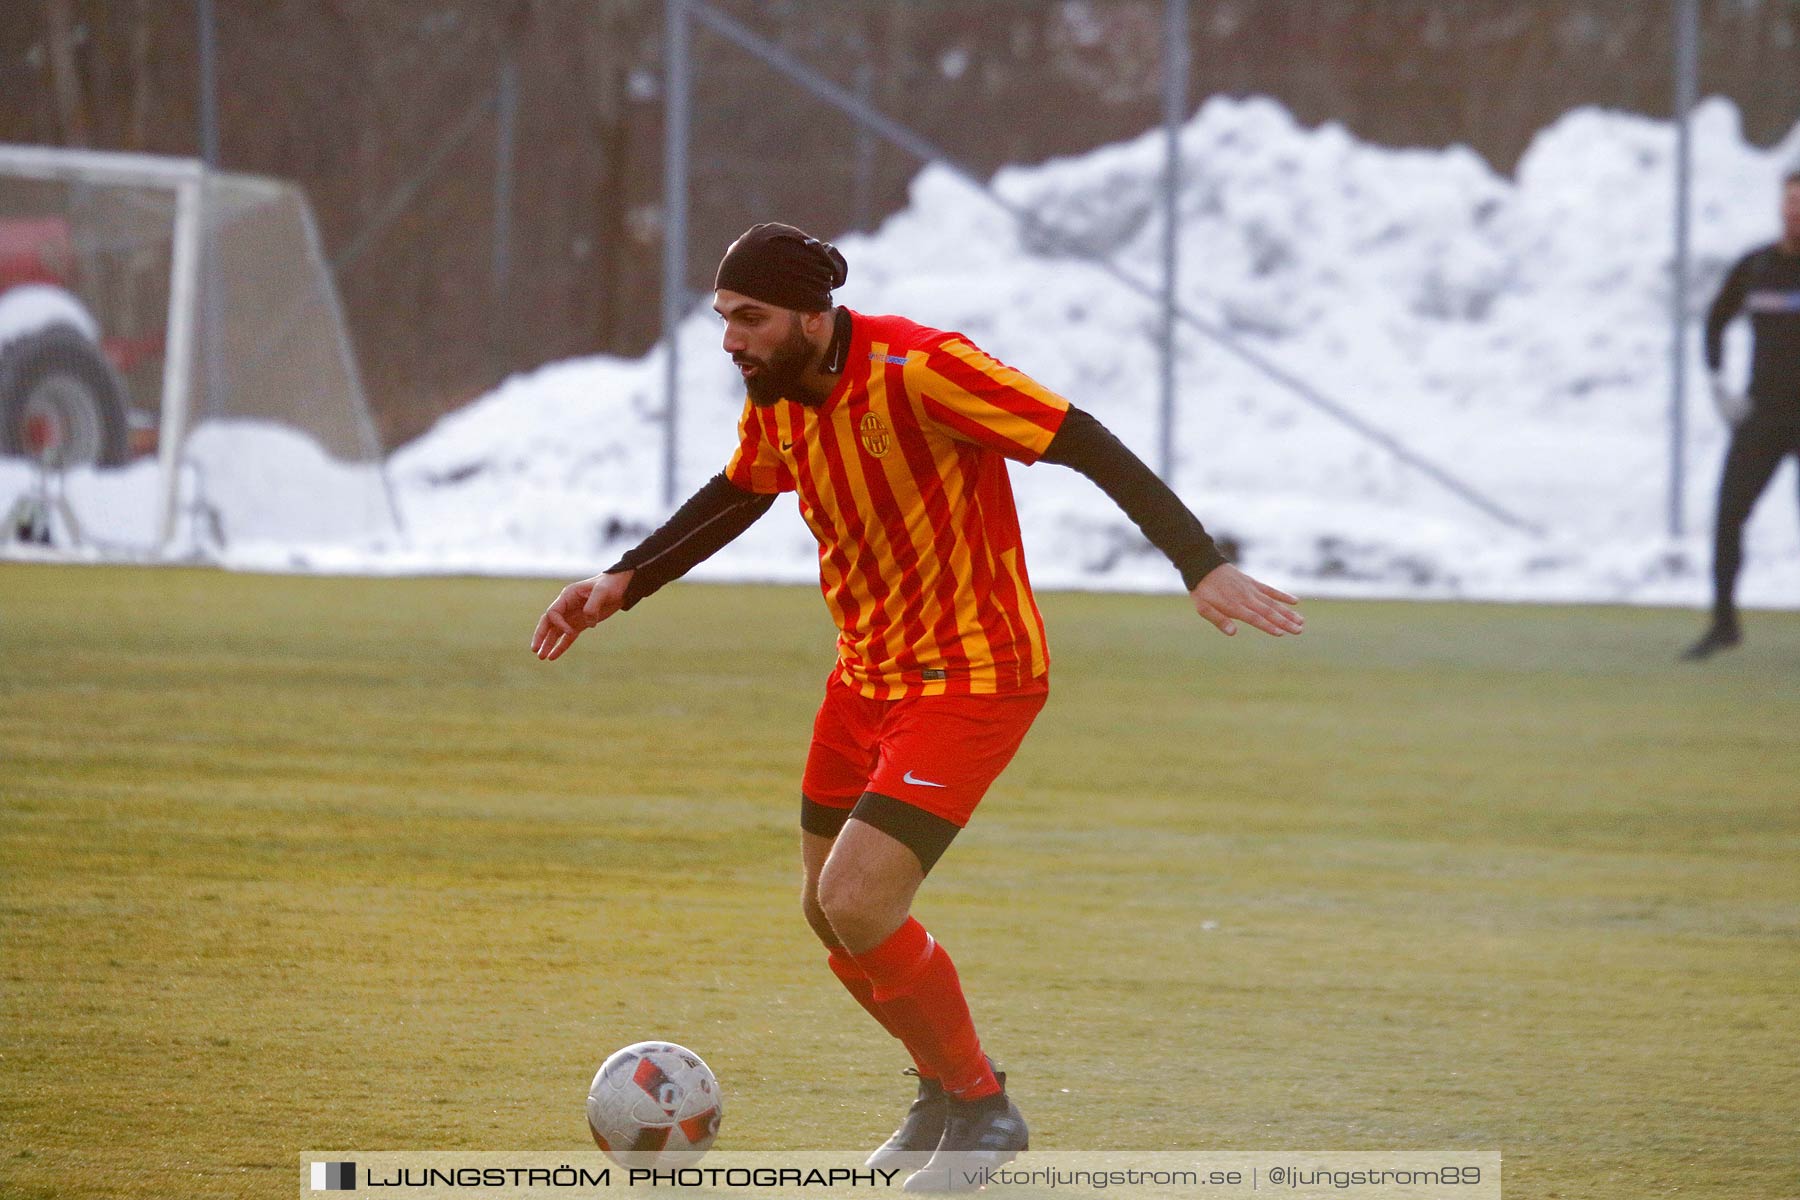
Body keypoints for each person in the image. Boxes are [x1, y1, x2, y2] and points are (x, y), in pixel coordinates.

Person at [531, 224, 1302, 1190]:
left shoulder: (925, 369)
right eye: (724, 318)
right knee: (828, 912)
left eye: (752, 319)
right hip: (865, 677)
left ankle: (986, 1112)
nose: (732, 340)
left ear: (815, 316)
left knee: (861, 899)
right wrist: (622, 580)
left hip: (976, 676)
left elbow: (1083, 439)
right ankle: (943, 1092)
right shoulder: (776, 393)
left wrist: (1201, 563)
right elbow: (744, 491)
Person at [1684, 169, 1800, 661]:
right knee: (1729, 512)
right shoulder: (1756, 267)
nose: (1796, 212)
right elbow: (1715, 320)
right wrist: (1717, 383)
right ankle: (1723, 624)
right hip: (1764, 416)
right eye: (1791, 203)